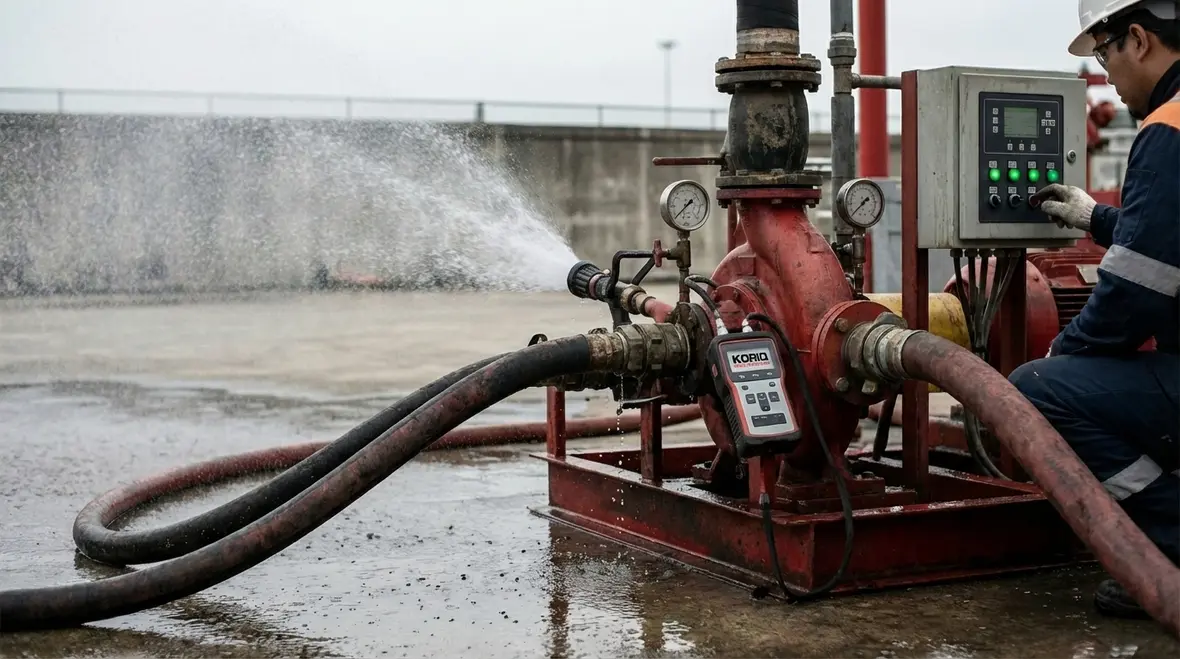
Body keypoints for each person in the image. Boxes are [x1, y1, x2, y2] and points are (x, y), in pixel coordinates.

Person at [1008, 0, 1180, 620]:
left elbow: (1134, 294)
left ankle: (1169, 540)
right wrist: (1097, 218)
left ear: (1138, 38)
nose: (1106, 72)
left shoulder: (1168, 128)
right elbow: (1168, 236)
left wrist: (1065, 353)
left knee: (1034, 392)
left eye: (1104, 52)